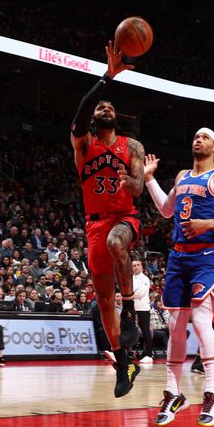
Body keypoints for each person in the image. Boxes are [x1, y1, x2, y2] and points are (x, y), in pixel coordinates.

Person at [145, 127, 214, 427]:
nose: (198, 139)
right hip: (179, 257)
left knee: (203, 321)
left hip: (208, 255)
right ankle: (173, 392)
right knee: (176, 326)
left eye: (205, 137)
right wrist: (149, 179)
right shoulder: (181, 176)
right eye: (195, 136)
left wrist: (209, 224)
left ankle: (212, 393)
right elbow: (167, 211)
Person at [70, 41, 145, 397]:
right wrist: (107, 78)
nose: (104, 107)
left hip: (123, 218)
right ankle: (123, 360)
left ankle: (129, 307)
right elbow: (82, 109)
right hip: (94, 224)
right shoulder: (84, 144)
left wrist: (129, 180)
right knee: (102, 301)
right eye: (101, 106)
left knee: (118, 242)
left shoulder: (131, 147)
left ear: (116, 118)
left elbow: (139, 188)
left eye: (110, 105)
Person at [132, 259, 153, 363]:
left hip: (143, 308)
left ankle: (149, 354)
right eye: (134, 265)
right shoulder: (130, 278)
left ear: (141, 267)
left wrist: (128, 296)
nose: (135, 267)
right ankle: (128, 353)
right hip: (132, 308)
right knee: (128, 330)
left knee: (145, 331)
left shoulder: (145, 279)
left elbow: (140, 294)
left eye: (138, 265)